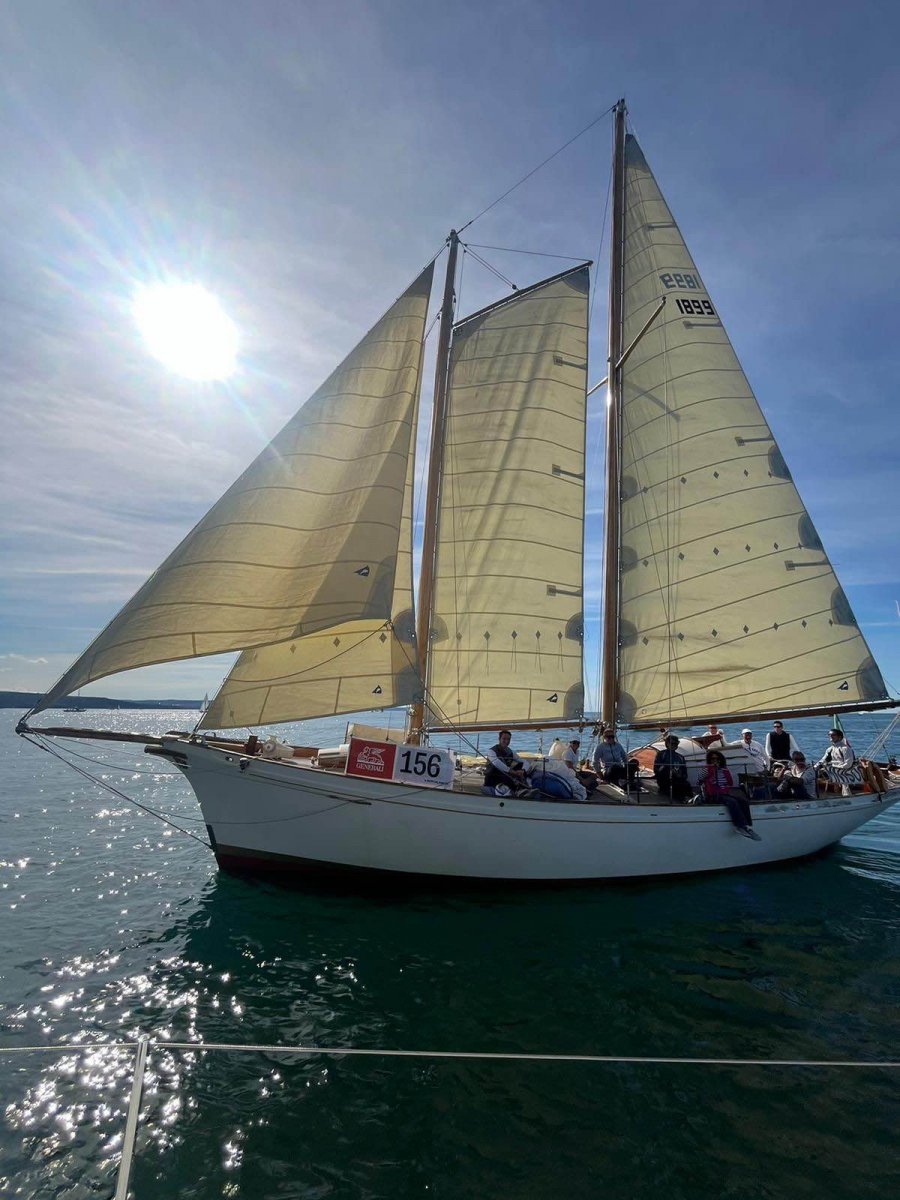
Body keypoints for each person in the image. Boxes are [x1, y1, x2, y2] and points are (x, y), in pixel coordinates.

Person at [701, 749, 761, 840]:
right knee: (732, 802)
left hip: (723, 792)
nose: (715, 761)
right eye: (713, 759)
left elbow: (730, 782)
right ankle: (739, 825)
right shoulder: (706, 769)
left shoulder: (724, 770)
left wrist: (725, 785)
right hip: (713, 794)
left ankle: (746, 825)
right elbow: (699, 780)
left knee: (743, 801)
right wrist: (711, 774)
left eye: (717, 759)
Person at [815, 729, 861, 796]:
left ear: (840, 737)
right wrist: (814, 767)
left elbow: (848, 764)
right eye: (829, 735)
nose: (830, 736)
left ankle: (847, 797)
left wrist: (834, 768)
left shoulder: (846, 749)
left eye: (833, 735)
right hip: (833, 773)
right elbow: (823, 761)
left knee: (846, 790)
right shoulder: (830, 749)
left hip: (846, 773)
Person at [484, 729, 531, 795]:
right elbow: (497, 763)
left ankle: (525, 786)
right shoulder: (491, 751)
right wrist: (513, 772)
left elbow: (524, 761)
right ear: (499, 739)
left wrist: (523, 771)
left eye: (508, 739)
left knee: (521, 764)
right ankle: (519, 790)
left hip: (505, 775)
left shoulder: (510, 752)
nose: (506, 741)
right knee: (510, 779)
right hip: (493, 777)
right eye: (504, 739)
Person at [653, 735, 693, 802]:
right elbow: (656, 770)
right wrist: (669, 769)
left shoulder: (680, 757)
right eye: (672, 743)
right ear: (667, 744)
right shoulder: (661, 754)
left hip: (678, 779)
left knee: (686, 784)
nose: (674, 745)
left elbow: (684, 773)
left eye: (676, 744)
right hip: (665, 779)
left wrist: (680, 775)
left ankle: (690, 799)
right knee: (666, 770)